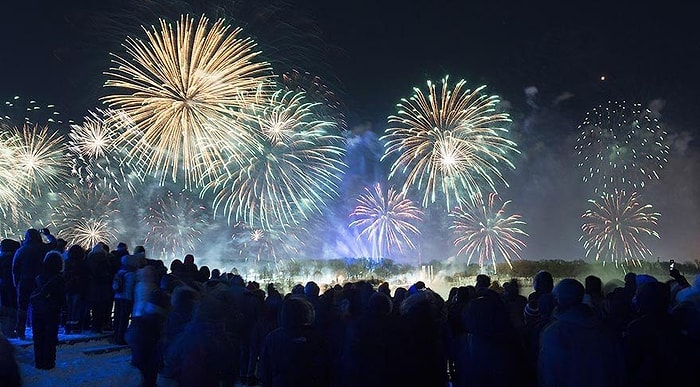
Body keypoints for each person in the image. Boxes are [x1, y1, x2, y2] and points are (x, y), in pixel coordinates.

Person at [538, 278, 624, 387]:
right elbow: (618, 372)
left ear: (558, 300)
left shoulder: (553, 334)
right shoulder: (605, 330)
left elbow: (549, 376)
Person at [12, 228, 56, 339]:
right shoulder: (43, 248)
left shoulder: (21, 250)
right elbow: (54, 244)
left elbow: (15, 268)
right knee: (40, 307)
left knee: (22, 307)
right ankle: (40, 330)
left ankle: (20, 331)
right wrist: (48, 234)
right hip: (40, 282)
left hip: (24, 282)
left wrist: (16, 282)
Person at [30, 251, 66, 369]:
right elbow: (61, 297)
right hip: (52, 310)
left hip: (37, 309)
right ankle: (49, 362)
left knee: (38, 336)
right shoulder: (59, 279)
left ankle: (38, 361)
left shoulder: (38, 277)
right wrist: (64, 310)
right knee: (50, 337)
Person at [0, 239, 20, 337]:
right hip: (13, 286)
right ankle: (10, 330)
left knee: (4, 308)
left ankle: (4, 331)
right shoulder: (14, 258)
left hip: (2, 286)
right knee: (13, 308)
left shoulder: (1, 259)